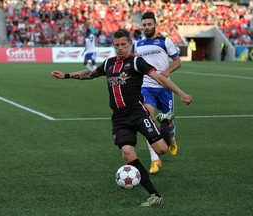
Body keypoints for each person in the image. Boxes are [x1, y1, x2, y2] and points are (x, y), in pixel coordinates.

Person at [51, 29, 192, 207]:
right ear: (113, 45)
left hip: (138, 113)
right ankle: (154, 195)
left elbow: (159, 78)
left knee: (162, 149)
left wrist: (181, 93)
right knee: (127, 153)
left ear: (129, 44)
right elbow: (89, 74)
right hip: (119, 119)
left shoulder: (136, 61)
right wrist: (66, 75)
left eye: (123, 44)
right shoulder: (109, 64)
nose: (120, 48)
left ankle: (166, 122)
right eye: (117, 45)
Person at [134, 12, 181, 174]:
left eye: (149, 24)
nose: (146, 27)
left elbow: (177, 61)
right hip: (146, 87)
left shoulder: (164, 41)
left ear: (155, 25)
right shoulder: (138, 45)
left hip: (164, 88)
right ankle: (155, 160)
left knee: (168, 123)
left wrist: (167, 72)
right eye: (144, 25)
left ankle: (172, 140)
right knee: (148, 119)